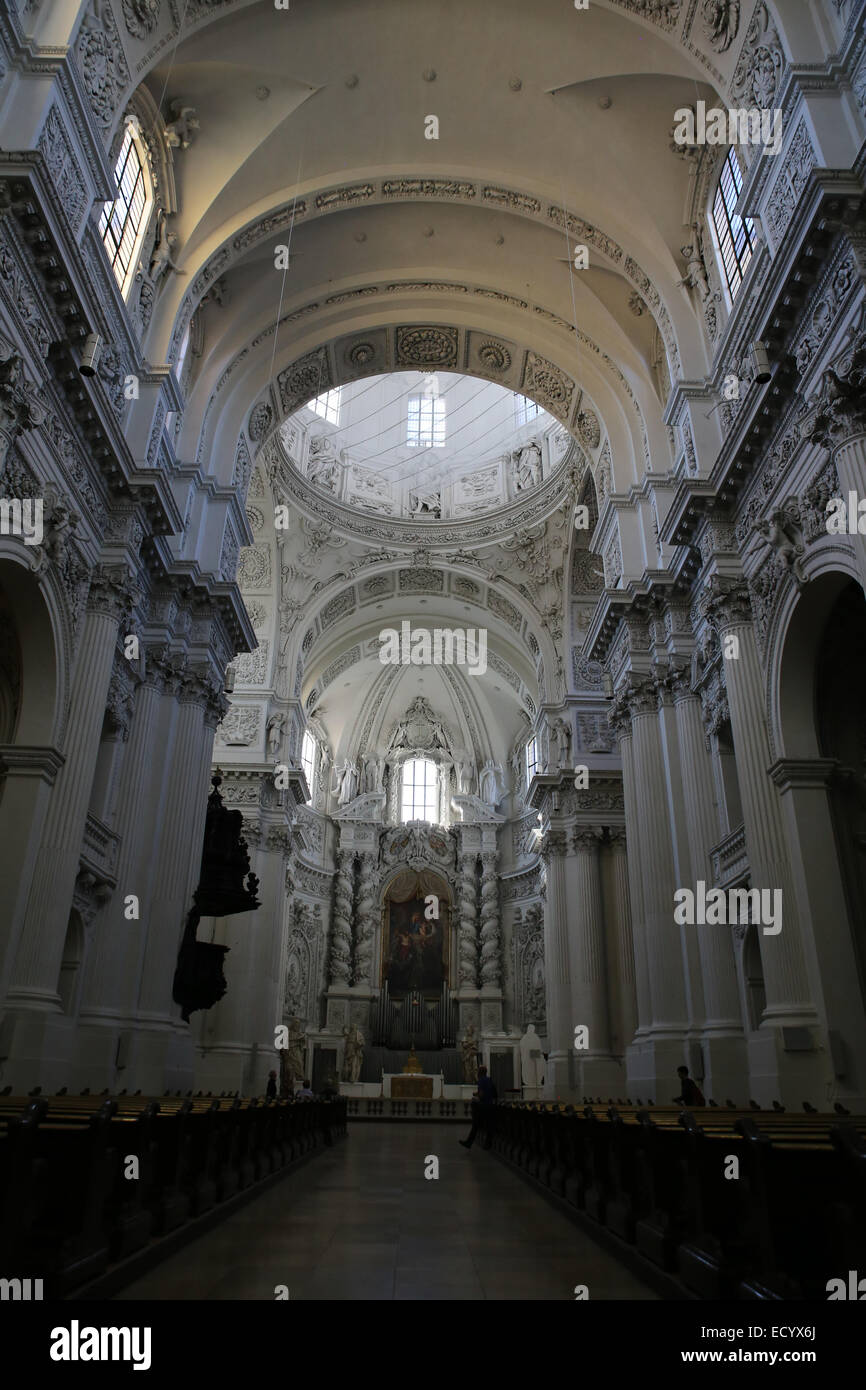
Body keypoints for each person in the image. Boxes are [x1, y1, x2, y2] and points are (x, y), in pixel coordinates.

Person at [459, 1065, 497, 1150]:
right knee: (488, 1126)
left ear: (479, 1073)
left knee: (476, 1125)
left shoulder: (481, 1081)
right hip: (490, 1106)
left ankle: (469, 1142)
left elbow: (481, 1095)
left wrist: (476, 1097)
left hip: (483, 1106)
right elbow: (494, 1093)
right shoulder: (489, 1080)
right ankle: (488, 1144)